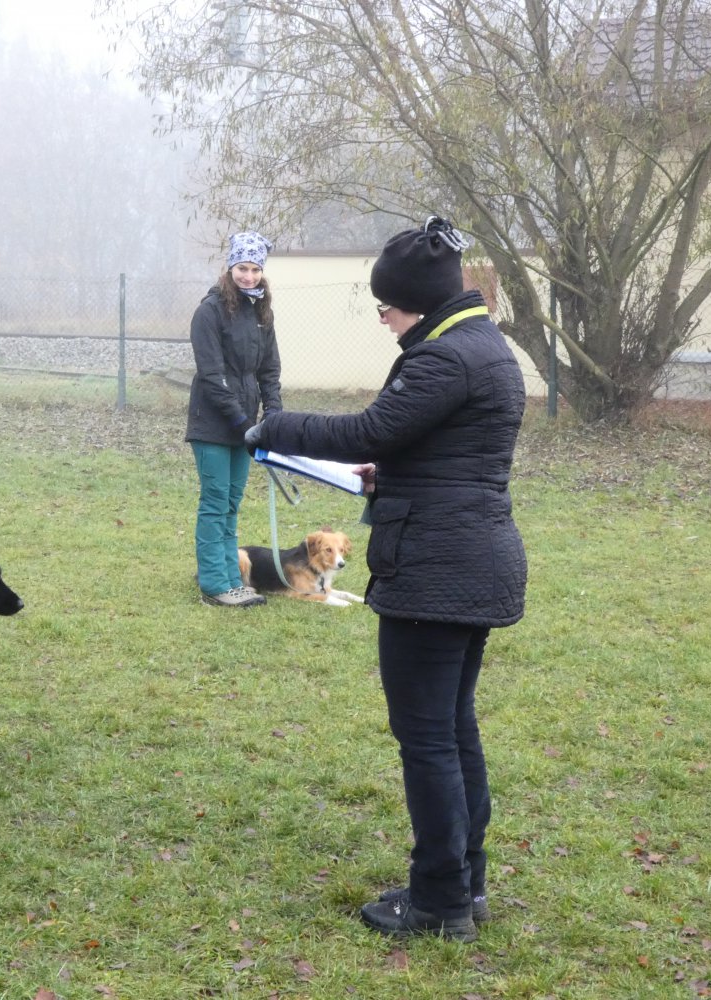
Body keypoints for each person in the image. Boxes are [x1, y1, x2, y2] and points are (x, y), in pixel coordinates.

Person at [246, 216, 527, 941]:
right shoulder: (483, 344)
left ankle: (437, 902)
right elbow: (442, 452)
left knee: (428, 738)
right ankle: (465, 884)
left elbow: (368, 430)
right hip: (472, 557)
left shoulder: (443, 357)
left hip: (437, 568)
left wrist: (275, 427)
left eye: (387, 304)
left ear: (419, 302)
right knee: (453, 729)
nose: (382, 317)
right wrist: (390, 475)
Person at [186, 231, 283, 608]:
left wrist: (272, 417)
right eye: (243, 268)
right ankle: (215, 584)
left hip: (247, 426)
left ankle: (232, 579)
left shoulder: (261, 312)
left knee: (231, 503)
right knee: (215, 503)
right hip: (212, 424)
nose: (249, 276)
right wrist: (245, 423)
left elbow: (269, 371)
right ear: (230, 267)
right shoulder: (209, 312)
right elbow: (212, 376)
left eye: (255, 269)